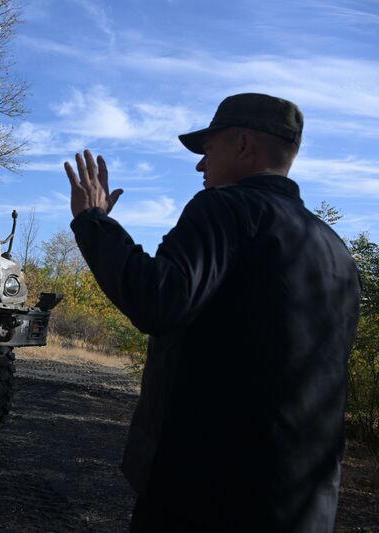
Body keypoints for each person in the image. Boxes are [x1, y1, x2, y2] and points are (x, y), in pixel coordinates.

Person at [64, 93, 361, 532]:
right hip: (304, 505)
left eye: (207, 150)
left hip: (207, 499)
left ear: (242, 145)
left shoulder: (227, 208)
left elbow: (159, 301)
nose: (201, 166)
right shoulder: (337, 251)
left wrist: (92, 220)